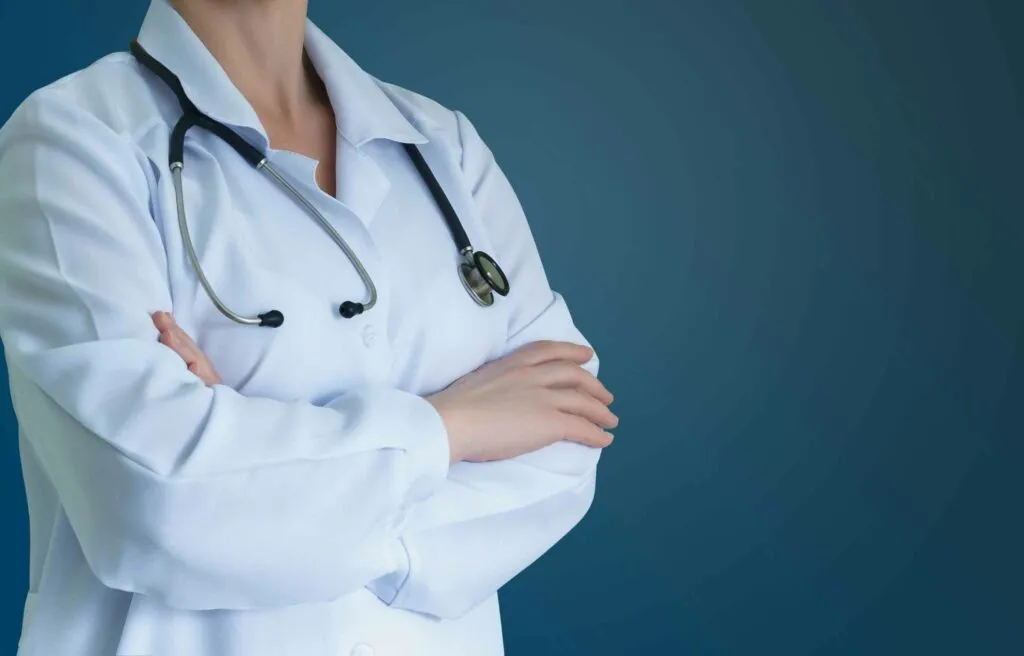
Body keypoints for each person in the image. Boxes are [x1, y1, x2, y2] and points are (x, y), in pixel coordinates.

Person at [0, 0, 617, 654]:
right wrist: (452, 429)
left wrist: (251, 474)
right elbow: (156, 505)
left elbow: (563, 446)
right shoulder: (71, 142)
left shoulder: (442, 147)